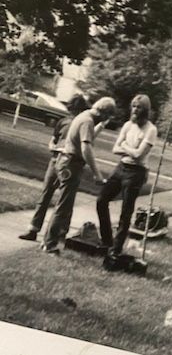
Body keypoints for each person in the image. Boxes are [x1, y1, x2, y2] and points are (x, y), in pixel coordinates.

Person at [18, 94, 101, 242]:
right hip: (56, 160)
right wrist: (56, 148)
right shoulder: (63, 122)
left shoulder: (84, 124)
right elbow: (52, 142)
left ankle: (61, 232)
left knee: (65, 201)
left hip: (70, 162)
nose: (73, 113)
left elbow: (87, 142)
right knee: (46, 195)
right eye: (72, 110)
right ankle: (33, 229)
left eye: (75, 110)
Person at [41, 96, 116, 254]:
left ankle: (47, 241)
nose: (107, 119)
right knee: (63, 207)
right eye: (108, 116)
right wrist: (97, 174)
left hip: (64, 161)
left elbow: (87, 137)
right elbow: (86, 148)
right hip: (71, 164)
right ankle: (50, 245)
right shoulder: (87, 121)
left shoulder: (84, 117)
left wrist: (101, 126)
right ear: (104, 113)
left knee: (62, 206)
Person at [97, 94, 158, 261]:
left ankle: (115, 250)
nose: (135, 110)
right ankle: (107, 240)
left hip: (136, 173)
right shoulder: (127, 125)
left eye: (138, 108)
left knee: (126, 212)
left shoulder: (150, 130)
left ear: (145, 110)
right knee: (101, 200)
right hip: (121, 168)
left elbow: (139, 155)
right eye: (133, 106)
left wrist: (124, 146)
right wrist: (128, 148)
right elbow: (115, 149)